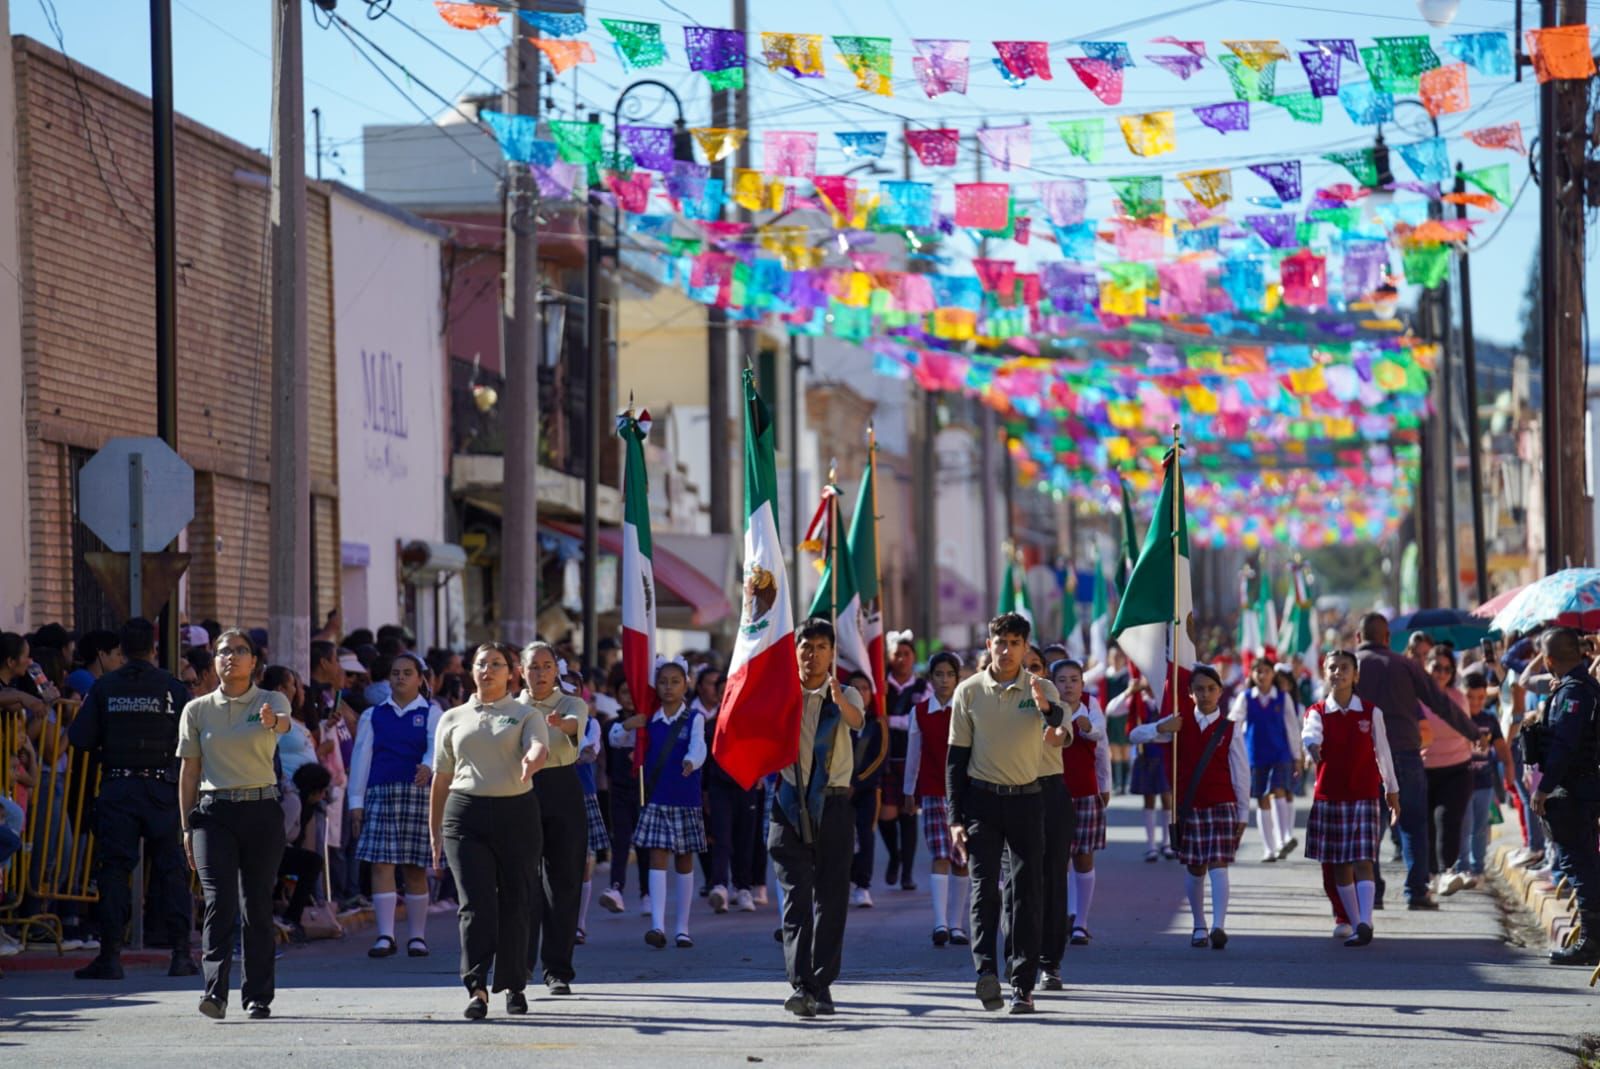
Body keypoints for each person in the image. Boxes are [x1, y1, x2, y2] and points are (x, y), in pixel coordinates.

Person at [947, 613, 1069, 1015]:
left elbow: (1058, 732)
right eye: (1000, 642)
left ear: (1025, 648)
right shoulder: (969, 692)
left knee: (1026, 893)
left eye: (1015, 643)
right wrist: (955, 818)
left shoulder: (1041, 688)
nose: (1006, 650)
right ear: (988, 645)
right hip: (982, 801)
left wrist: (1046, 708)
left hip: (1028, 800)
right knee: (984, 888)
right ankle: (986, 972)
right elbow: (956, 760)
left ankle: (1022, 984)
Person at [66, 617, 197, 980]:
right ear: (153, 649)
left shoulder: (105, 687)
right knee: (172, 872)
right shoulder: (172, 689)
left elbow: (80, 738)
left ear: (121, 650)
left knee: (114, 872)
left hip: (119, 790)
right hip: (162, 791)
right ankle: (181, 955)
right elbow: (192, 740)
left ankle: (110, 957)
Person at [176, 628, 292, 1020]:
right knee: (218, 902)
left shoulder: (270, 700)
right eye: (224, 651)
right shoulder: (197, 709)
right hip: (213, 814)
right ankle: (215, 993)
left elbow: (283, 724)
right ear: (214, 660)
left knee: (256, 904)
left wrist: (272, 720)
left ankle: (258, 995)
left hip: (261, 809)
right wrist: (187, 828)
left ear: (254, 662)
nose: (232, 657)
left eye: (241, 651)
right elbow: (189, 773)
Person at [429, 642, 548, 1019]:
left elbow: (538, 746)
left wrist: (532, 758)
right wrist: (434, 831)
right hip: (465, 815)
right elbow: (441, 777)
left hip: (517, 813)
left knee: (517, 901)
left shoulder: (525, 714)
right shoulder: (452, 718)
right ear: (471, 670)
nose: (488, 670)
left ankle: (514, 984)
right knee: (475, 904)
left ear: (512, 672)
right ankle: (476, 987)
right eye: (482, 663)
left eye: (497, 664)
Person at [771, 619, 865, 1018]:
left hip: (834, 806)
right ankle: (800, 982)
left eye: (822, 647)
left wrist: (834, 697)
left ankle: (821, 982)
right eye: (806, 647)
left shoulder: (845, 694)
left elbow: (856, 721)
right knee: (796, 898)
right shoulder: (781, 696)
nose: (813, 655)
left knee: (830, 899)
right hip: (788, 804)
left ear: (832, 654)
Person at [1354, 613, 1478, 910]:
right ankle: (1416, 891)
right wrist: (1472, 731)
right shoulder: (1406, 665)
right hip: (1406, 752)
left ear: (1359, 638)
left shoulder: (1349, 666)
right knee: (1413, 823)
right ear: (1387, 639)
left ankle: (1374, 891)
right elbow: (1440, 702)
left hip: (1365, 754)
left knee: (1370, 825)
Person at [1129, 665, 1248, 950]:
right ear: (1190, 693)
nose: (1205, 694)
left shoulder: (1230, 729)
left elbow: (1242, 774)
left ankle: (1219, 925)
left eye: (1211, 688)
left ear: (1220, 691)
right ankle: (1199, 925)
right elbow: (1135, 736)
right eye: (1199, 689)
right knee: (1196, 868)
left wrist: (1243, 814)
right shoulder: (1178, 725)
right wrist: (1160, 727)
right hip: (1189, 806)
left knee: (1219, 865)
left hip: (1222, 804)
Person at [1302, 650, 1400, 947]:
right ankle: (1355, 920)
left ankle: (1365, 921)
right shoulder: (1317, 711)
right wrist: (1311, 746)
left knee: (1363, 859)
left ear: (1355, 675)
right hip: (1330, 796)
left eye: (1345, 668)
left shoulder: (1371, 712)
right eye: (1333, 668)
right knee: (1339, 863)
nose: (1338, 673)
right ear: (1324, 673)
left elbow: (1383, 753)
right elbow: (1310, 734)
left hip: (1364, 795)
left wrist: (1391, 790)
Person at [348, 653, 440, 960]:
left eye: (407, 673)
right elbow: (361, 759)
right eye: (395, 672)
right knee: (381, 864)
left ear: (419, 678)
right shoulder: (373, 715)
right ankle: (385, 935)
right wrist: (356, 803)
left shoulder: (431, 712)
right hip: (380, 793)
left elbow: (436, 748)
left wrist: (428, 765)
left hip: (416, 793)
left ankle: (417, 936)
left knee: (415, 866)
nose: (400, 677)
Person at [616, 658, 706, 949]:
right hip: (657, 797)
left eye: (675, 681)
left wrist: (692, 761)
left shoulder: (694, 718)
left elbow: (699, 746)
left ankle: (683, 928)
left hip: (685, 797)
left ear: (686, 685)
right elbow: (616, 738)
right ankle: (657, 925)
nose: (669, 687)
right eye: (664, 682)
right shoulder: (649, 718)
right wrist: (629, 724)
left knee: (684, 860)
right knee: (657, 856)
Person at [1525, 628, 1600, 966]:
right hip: (1582, 787)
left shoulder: (1575, 693)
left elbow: (1564, 746)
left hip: (1574, 790)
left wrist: (1544, 787)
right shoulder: (1582, 688)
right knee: (1583, 860)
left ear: (1549, 659)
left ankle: (1591, 943)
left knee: (1578, 862)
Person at [521, 641, 589, 991]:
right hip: (520, 790)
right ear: (521, 671)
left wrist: (562, 724)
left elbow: (576, 725)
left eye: (547, 666)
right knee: (523, 882)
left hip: (562, 787)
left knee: (563, 881)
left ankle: (557, 970)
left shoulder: (570, 702)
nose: (541, 673)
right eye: (534, 666)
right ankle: (520, 966)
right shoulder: (511, 706)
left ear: (556, 670)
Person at [903, 651, 969, 947]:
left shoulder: (967, 709)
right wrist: (908, 791)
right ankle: (940, 923)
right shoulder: (919, 712)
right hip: (932, 791)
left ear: (958, 678)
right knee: (940, 854)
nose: (944, 680)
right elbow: (913, 754)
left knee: (961, 859)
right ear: (930, 679)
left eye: (949, 674)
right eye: (938, 674)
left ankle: (957, 925)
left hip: (965, 792)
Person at [1055, 658, 1109, 952]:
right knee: (1057, 858)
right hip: (1053, 793)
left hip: (1086, 791)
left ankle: (1081, 923)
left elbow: (1101, 744)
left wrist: (1106, 784)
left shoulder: (1091, 705)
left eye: (1074, 680)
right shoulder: (1046, 708)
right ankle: (1061, 917)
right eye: (1062, 680)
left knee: (1084, 856)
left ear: (1082, 683)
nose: (1069, 686)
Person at [1227, 657, 1303, 863]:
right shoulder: (1245, 698)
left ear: (1273, 674)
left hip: (1280, 754)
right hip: (1255, 755)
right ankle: (1269, 848)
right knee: (1262, 800)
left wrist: (1297, 756)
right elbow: (1233, 721)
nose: (1262, 675)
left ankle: (1283, 839)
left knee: (1278, 790)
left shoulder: (1282, 697)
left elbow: (1292, 727)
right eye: (1258, 671)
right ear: (1251, 675)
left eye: (1266, 671)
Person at [699, 664, 758, 913]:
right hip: (718, 789)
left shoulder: (751, 724)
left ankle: (743, 889)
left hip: (747, 788)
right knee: (721, 839)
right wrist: (704, 795)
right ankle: (719, 886)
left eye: (730, 691)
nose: (726, 696)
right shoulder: (710, 726)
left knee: (745, 840)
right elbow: (704, 764)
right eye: (722, 691)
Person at [1422, 649, 1476, 898]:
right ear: (1427, 667)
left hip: (1457, 768)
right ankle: (1430, 874)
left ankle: (1447, 871)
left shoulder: (1458, 697)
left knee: (1447, 819)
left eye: (1447, 669)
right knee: (1427, 826)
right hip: (1423, 769)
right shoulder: (1416, 698)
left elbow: (1466, 729)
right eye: (1437, 668)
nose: (1441, 674)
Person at [598, 668, 651, 916]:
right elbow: (611, 740)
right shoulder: (611, 725)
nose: (629, 697)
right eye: (623, 693)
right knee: (620, 840)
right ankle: (616, 888)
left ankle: (647, 893)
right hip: (619, 791)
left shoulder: (652, 722)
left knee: (644, 844)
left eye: (633, 692)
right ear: (617, 697)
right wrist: (631, 724)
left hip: (644, 791)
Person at [880, 632, 929, 891]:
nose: (901, 659)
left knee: (908, 816)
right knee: (885, 815)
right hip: (885, 760)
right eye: (896, 654)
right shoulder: (881, 686)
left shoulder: (923, 687)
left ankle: (907, 872)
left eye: (906, 654)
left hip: (912, 759)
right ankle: (894, 856)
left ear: (914, 657)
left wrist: (894, 721)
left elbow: (920, 718)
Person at [1456, 668, 1513, 886]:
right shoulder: (1456, 717)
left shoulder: (1489, 719)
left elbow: (1500, 746)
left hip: (1483, 782)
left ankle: (1477, 868)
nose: (1475, 702)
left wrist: (1509, 767)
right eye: (1470, 697)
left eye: (1480, 697)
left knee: (1480, 828)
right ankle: (1461, 867)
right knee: (1463, 826)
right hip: (1460, 781)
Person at [278, 761, 333, 938]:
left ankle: (293, 913)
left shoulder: (307, 806)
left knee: (311, 861)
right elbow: (278, 838)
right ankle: (292, 916)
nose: (324, 796)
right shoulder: (293, 802)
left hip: (280, 850)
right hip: (271, 852)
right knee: (312, 862)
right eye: (323, 791)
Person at [846, 667, 884, 909]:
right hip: (839, 790)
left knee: (866, 835)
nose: (860, 692)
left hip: (868, 791)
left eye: (864, 688)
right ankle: (844, 879)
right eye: (855, 688)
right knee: (842, 837)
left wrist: (857, 783)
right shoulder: (838, 720)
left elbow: (880, 757)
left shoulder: (877, 723)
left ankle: (863, 885)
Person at [64, 629, 121, 700]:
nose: (122, 660)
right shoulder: (82, 677)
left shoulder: (96, 680)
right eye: (118, 654)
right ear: (102, 654)